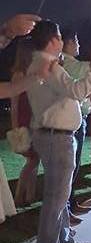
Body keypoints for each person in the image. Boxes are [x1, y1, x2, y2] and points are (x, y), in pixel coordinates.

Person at [26, 20, 91, 243]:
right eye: (60, 37)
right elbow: (78, 91)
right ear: (52, 40)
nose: (62, 42)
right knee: (56, 196)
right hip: (55, 136)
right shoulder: (48, 65)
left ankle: (62, 240)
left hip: (57, 135)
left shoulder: (47, 64)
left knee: (60, 195)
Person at [61, 29, 91, 223]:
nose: (79, 46)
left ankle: (70, 203)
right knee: (69, 168)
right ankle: (66, 207)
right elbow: (84, 72)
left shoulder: (68, 63)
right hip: (69, 123)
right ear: (67, 44)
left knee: (75, 164)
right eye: (76, 42)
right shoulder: (66, 64)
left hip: (79, 119)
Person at [9, 38, 41, 207]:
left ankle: (30, 195)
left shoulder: (32, 72)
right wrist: (15, 126)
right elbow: (14, 103)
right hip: (24, 119)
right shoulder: (19, 74)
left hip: (34, 118)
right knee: (32, 159)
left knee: (36, 158)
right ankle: (20, 195)